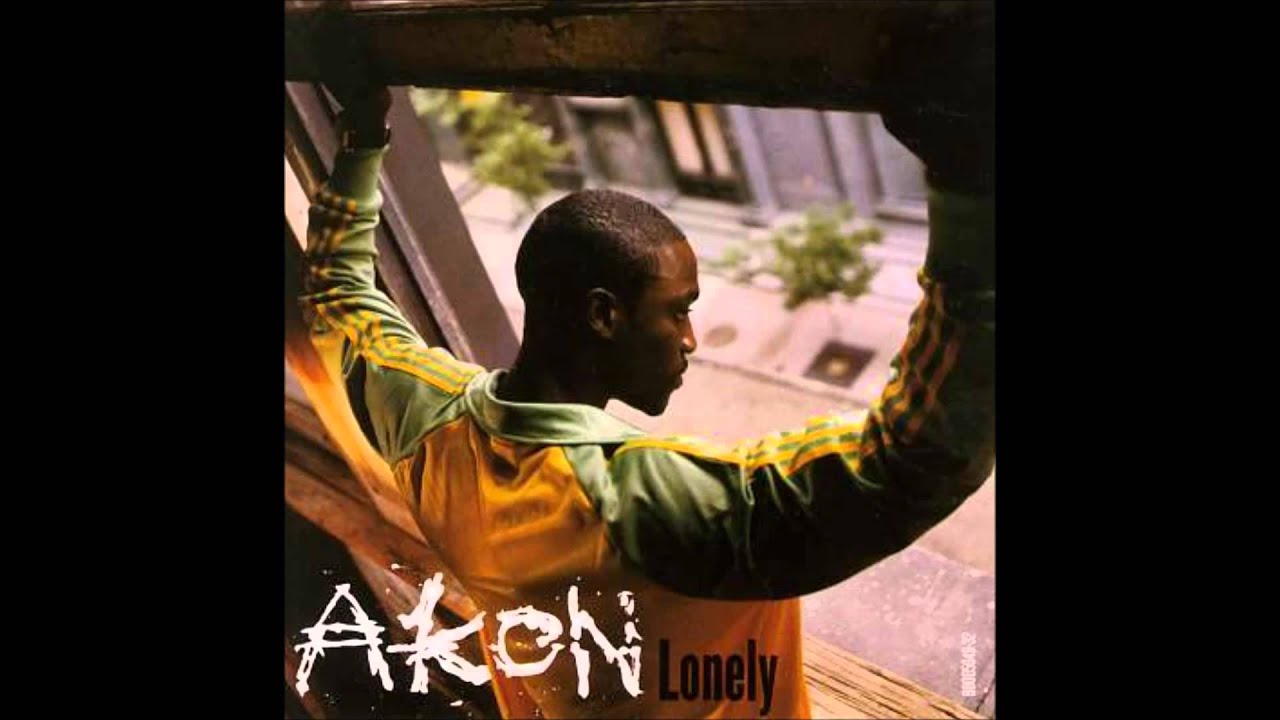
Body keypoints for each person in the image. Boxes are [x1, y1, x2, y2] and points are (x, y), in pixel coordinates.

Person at [299, 68, 993, 718]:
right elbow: (910, 459)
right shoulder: (645, 503)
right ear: (604, 316)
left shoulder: (424, 418)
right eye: (678, 310)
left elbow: (336, 292)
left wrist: (361, 137)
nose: (691, 339)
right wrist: (968, 189)